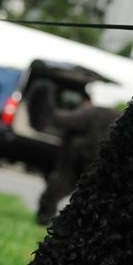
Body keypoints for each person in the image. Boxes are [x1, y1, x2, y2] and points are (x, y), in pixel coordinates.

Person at [27, 80, 119, 225]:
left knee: (64, 176)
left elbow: (58, 119)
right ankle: (81, 223)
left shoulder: (92, 114)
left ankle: (44, 216)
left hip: (75, 140)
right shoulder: (109, 117)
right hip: (98, 144)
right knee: (94, 187)